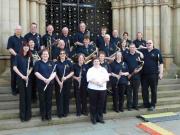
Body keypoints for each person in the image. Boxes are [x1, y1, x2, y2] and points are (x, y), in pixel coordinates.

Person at [140, 40, 163, 111]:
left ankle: (153, 104)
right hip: (144, 75)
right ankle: (146, 103)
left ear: (153, 44)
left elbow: (161, 63)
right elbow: (135, 49)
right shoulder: (144, 51)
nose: (148, 44)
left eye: (150, 43)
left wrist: (161, 73)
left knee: (153, 90)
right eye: (147, 43)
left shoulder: (157, 51)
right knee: (144, 90)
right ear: (145, 44)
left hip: (154, 75)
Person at [34, 49, 56, 121]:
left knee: (49, 100)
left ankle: (48, 115)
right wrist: (44, 79)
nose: (45, 55)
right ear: (41, 55)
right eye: (44, 54)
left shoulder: (52, 63)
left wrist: (49, 80)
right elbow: (36, 72)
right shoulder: (38, 63)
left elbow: (54, 73)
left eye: (46, 54)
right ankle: (43, 115)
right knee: (42, 100)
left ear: (48, 55)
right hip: (41, 84)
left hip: (50, 84)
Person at [13, 42, 33, 121]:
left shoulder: (29, 57)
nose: (26, 48)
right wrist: (22, 76)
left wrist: (29, 72)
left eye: (27, 46)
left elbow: (31, 67)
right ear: (22, 47)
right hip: (21, 79)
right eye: (25, 46)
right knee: (22, 97)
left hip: (28, 79)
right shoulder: (18, 56)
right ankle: (22, 116)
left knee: (28, 97)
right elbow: (14, 67)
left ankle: (28, 115)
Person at [87, 58, 109, 124]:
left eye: (98, 61)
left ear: (100, 62)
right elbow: (89, 79)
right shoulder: (90, 69)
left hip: (102, 89)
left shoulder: (103, 69)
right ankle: (93, 118)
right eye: (95, 61)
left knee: (100, 104)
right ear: (93, 62)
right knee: (93, 104)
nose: (96, 62)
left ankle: (100, 118)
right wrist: (97, 83)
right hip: (92, 89)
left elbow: (106, 78)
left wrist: (101, 83)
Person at [123, 43, 144, 110]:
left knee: (136, 92)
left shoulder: (138, 55)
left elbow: (141, 64)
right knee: (129, 92)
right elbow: (124, 66)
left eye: (133, 47)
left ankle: (135, 105)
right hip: (129, 77)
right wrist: (127, 74)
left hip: (137, 77)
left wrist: (138, 70)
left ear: (135, 48)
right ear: (129, 48)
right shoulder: (126, 56)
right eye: (131, 47)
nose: (132, 48)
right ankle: (129, 106)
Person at [55, 50, 74, 118]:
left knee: (66, 97)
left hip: (67, 83)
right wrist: (59, 82)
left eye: (64, 53)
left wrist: (65, 77)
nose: (62, 54)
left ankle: (65, 112)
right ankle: (60, 112)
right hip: (58, 83)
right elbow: (55, 74)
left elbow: (72, 72)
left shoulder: (69, 62)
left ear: (66, 55)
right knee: (59, 98)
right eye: (61, 53)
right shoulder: (56, 63)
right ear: (59, 55)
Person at [7, 25, 24, 95]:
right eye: (17, 29)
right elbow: (10, 48)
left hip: (22, 60)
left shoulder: (23, 39)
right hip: (14, 59)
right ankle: (13, 89)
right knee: (14, 75)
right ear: (15, 30)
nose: (18, 31)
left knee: (20, 75)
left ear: (21, 31)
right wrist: (17, 55)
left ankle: (18, 89)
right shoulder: (11, 38)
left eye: (20, 29)